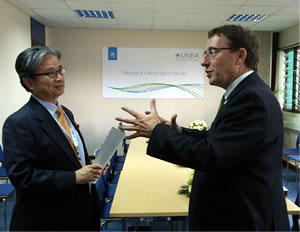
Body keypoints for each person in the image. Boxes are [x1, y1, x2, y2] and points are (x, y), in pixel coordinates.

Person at [116, 25, 290, 231]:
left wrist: (157, 132)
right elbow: (220, 140)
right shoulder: (244, 93)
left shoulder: (252, 98)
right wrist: (179, 132)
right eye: (205, 53)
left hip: (244, 220)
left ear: (240, 56)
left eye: (213, 53)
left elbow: (211, 155)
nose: (204, 61)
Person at [2, 46, 108, 231]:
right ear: (29, 82)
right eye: (50, 73)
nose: (59, 77)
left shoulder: (65, 113)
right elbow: (23, 178)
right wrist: (74, 177)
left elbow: (68, 155)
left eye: (60, 70)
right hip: (47, 219)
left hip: (80, 212)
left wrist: (90, 165)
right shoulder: (18, 123)